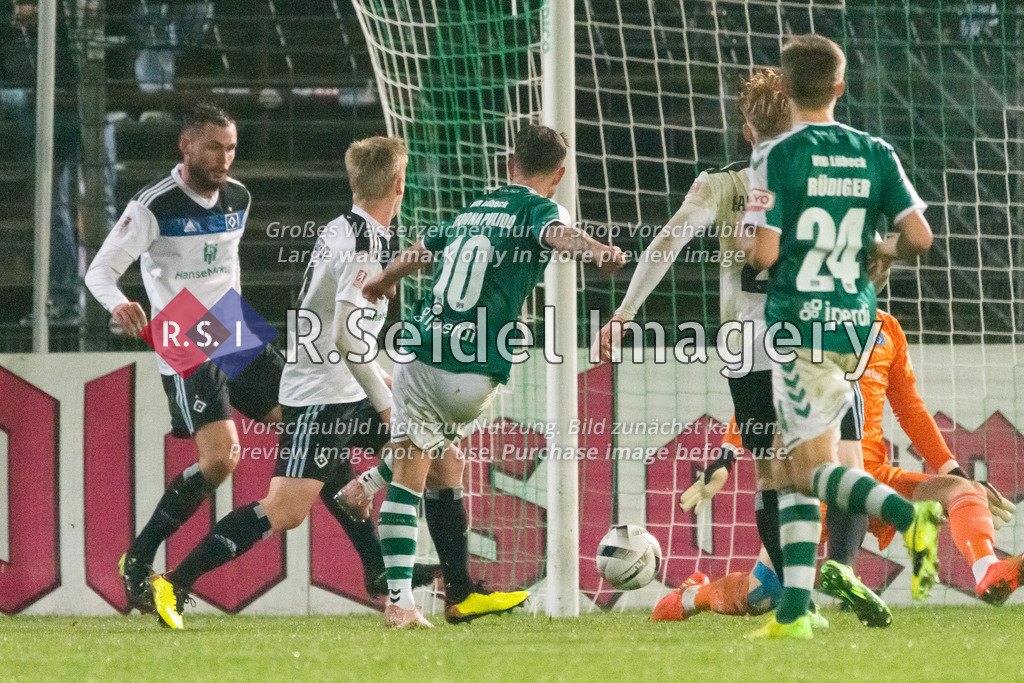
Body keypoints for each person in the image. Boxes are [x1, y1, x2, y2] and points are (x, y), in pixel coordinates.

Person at [596, 68, 886, 628]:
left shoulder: (722, 183)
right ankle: (843, 565)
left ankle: (798, 607)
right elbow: (872, 256)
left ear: (748, 128)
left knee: (773, 475)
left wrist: (625, 314)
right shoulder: (827, 176)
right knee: (850, 463)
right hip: (814, 339)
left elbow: (666, 244)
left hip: (746, 349)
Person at [146, 137, 438, 629]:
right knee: (284, 511)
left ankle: (398, 595)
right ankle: (174, 582)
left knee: (426, 443)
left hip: (344, 386)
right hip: (322, 397)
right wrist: (385, 399)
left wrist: (377, 374)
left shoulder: (345, 228)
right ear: (399, 184)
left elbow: (339, 322)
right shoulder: (367, 244)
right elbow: (346, 336)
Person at [357, 124, 626, 628]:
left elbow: (423, 248)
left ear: (509, 163)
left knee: (414, 469)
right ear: (559, 175)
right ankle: (426, 596)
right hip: (476, 375)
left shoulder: (473, 209)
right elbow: (556, 234)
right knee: (443, 462)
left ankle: (396, 584)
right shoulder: (540, 208)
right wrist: (596, 251)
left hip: (422, 350)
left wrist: (383, 279)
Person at [743, 34, 939, 639]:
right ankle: (795, 615)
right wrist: (882, 248)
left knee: (804, 472)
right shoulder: (874, 151)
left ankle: (911, 517)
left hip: (800, 324)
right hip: (857, 324)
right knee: (792, 455)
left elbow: (764, 251)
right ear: (840, 86)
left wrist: (748, 244)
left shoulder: (775, 155)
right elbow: (920, 237)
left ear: (785, 85)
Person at [85, 102, 286, 613]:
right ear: (187, 144)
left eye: (232, 148)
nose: (225, 158)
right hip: (178, 329)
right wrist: (123, 304)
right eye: (214, 147)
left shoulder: (239, 196)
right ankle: (139, 557)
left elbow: (229, 265)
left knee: (308, 423)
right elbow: (100, 274)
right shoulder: (154, 204)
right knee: (221, 460)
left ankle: (376, 567)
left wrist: (240, 331)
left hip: (231, 324)